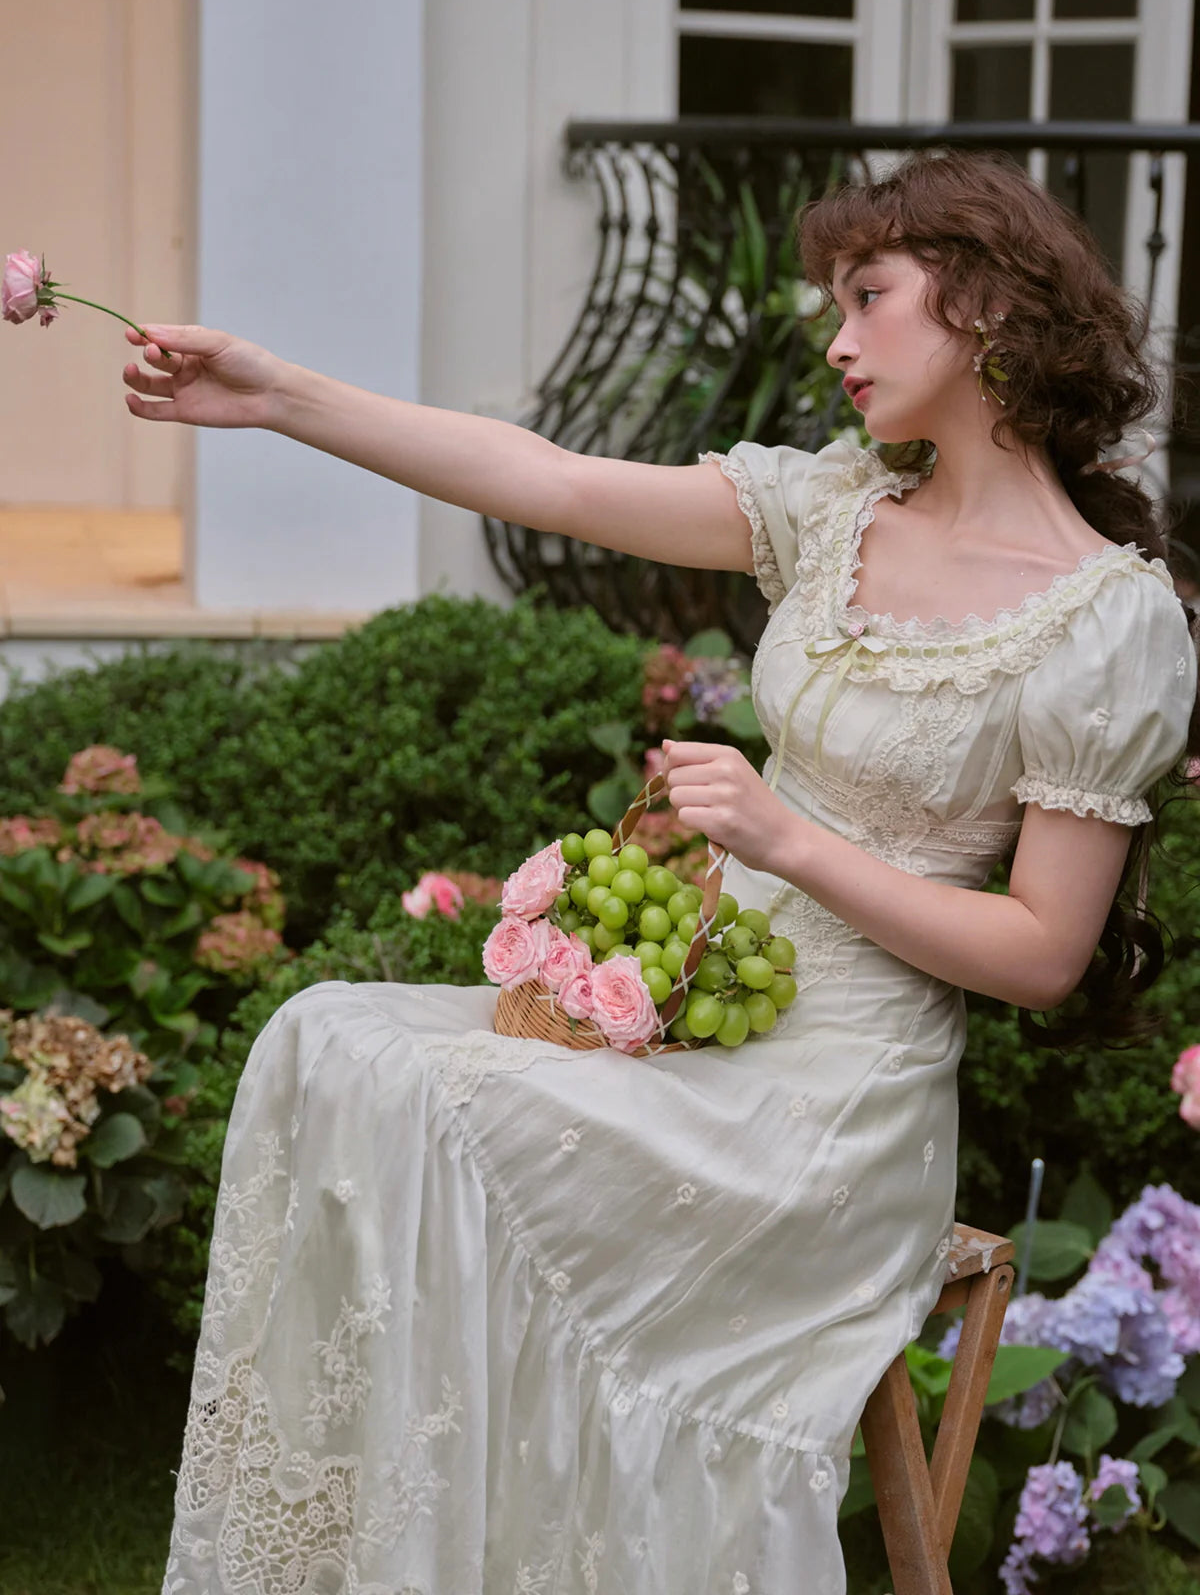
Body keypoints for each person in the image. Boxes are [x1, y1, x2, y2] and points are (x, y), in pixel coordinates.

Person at [131, 150, 1197, 1595]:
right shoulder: (834, 508)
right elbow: (554, 480)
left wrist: (785, 839)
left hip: (836, 1098)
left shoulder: (1107, 625)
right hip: (694, 1007)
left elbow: (1039, 954)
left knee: (452, 1104)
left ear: (993, 306)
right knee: (326, 1040)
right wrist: (274, 397)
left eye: (869, 296)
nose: (833, 340)